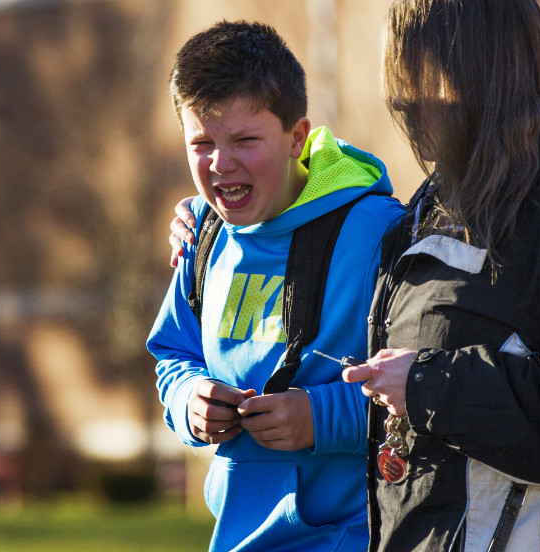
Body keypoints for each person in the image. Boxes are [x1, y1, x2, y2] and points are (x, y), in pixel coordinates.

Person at [337, 1, 540, 551]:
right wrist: (213, 221)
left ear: (481, 72)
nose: (404, 103)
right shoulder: (446, 194)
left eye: (424, 78)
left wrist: (426, 384)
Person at [147, 21, 402, 552]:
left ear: (298, 137)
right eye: (201, 143)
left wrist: (321, 418)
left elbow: (436, 387)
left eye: (244, 140)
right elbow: (173, 353)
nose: (221, 164)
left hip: (358, 538)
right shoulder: (201, 233)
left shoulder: (378, 232)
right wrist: (188, 400)